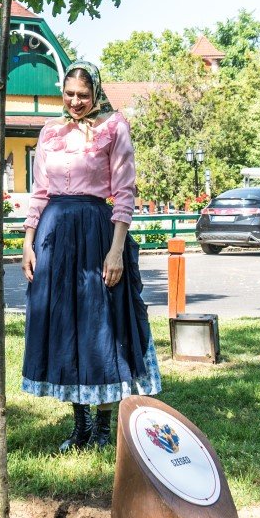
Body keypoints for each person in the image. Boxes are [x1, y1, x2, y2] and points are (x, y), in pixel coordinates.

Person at [22, 60, 159, 451]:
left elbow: (125, 192)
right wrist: (28, 242)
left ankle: (102, 426)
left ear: (96, 93)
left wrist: (116, 251)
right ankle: (79, 424)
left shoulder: (114, 128)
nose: (75, 102)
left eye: (83, 95)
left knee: (101, 324)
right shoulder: (49, 132)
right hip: (54, 234)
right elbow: (39, 192)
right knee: (65, 323)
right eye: (69, 94)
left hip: (97, 233)